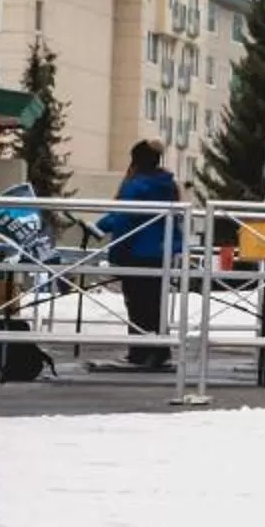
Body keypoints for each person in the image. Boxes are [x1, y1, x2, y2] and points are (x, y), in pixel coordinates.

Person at [96, 139, 182, 372]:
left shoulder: (135, 185)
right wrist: (103, 224)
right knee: (155, 302)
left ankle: (140, 351)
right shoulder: (168, 185)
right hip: (161, 251)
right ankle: (160, 350)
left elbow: (125, 218)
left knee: (137, 304)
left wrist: (115, 248)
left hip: (136, 251)